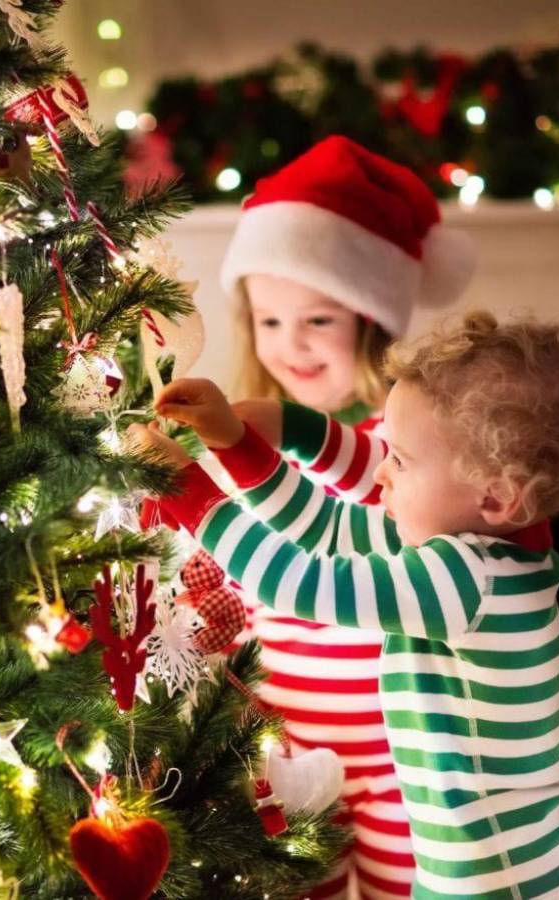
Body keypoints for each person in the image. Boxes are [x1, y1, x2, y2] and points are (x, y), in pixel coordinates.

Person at [134, 311, 559, 899]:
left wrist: (191, 491)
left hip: (510, 884)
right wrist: (242, 445)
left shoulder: (467, 582)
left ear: (496, 496)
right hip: (471, 874)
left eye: (400, 460)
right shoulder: (475, 547)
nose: (380, 474)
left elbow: (299, 581)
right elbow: (326, 527)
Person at [191, 135, 475, 899]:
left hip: (397, 756)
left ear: (371, 318)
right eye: (270, 323)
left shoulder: (404, 450)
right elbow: (231, 586)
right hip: (284, 747)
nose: (291, 346)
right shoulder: (238, 446)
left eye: (317, 321)